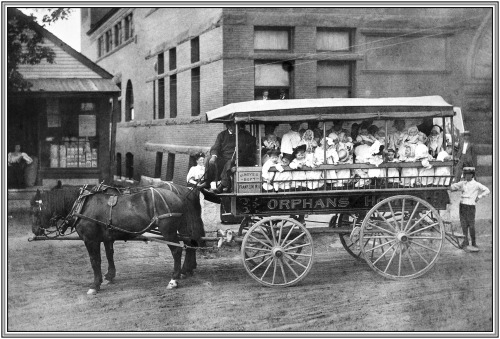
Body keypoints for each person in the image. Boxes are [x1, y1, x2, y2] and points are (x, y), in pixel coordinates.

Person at [200, 121, 256, 193]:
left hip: (238, 159)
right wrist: (214, 156)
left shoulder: (244, 134)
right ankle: (207, 182)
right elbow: (216, 147)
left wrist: (243, 149)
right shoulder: (222, 135)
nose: (232, 128)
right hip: (223, 158)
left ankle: (222, 185)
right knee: (208, 159)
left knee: (230, 162)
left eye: (234, 126)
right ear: (227, 126)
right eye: (230, 126)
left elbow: (253, 142)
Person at [449, 167, 490, 251]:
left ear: (472, 175)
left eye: (469, 175)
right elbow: (452, 187)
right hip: (463, 205)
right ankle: (465, 241)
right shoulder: (463, 183)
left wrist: (479, 196)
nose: (467, 176)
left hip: (470, 206)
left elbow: (487, 190)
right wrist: (450, 185)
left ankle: (474, 242)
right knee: (463, 224)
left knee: (471, 225)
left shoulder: (476, 184)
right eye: (466, 174)